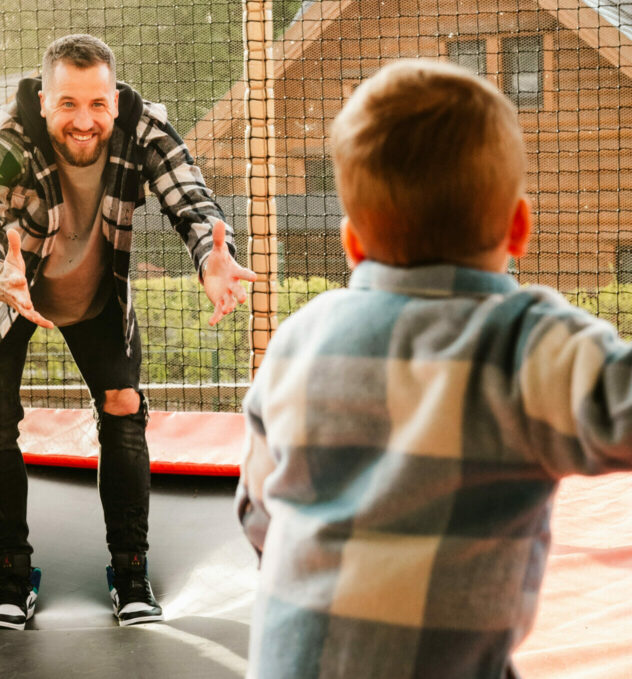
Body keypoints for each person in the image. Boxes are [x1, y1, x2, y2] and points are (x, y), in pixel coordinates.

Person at [237, 58, 632, 678]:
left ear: (352, 242)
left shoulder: (299, 339)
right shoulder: (525, 342)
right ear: (519, 227)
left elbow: (257, 512)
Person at [0, 34, 256, 630]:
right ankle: (12, 577)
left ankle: (130, 571)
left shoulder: (144, 130)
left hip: (92, 292)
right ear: (44, 100)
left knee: (123, 404)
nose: (84, 120)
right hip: (7, 290)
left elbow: (190, 199)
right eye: (67, 104)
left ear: (114, 100)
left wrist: (211, 257)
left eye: (96, 104)